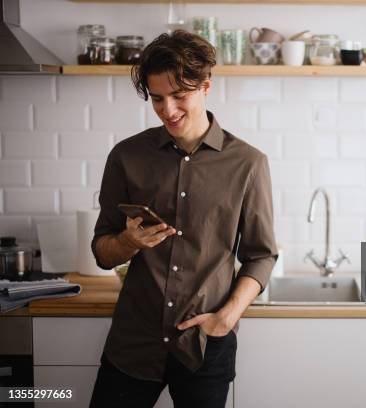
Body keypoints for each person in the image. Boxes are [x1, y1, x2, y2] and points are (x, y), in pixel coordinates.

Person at [89, 30, 277, 408]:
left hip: (205, 344)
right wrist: (128, 243)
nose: (168, 109)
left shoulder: (248, 163)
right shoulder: (126, 157)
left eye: (180, 96)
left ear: (206, 85)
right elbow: (102, 251)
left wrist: (225, 318)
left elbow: (261, 255)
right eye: (157, 99)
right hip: (133, 342)